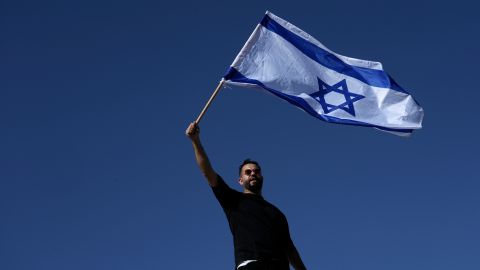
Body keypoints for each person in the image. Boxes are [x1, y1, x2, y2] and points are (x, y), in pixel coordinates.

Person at [186, 121, 307, 270]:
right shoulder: (233, 200)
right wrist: (196, 141)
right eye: (248, 172)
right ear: (240, 180)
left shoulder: (277, 214)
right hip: (251, 265)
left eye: (256, 171)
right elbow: (207, 172)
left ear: (262, 176)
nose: (253, 174)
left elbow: (290, 249)